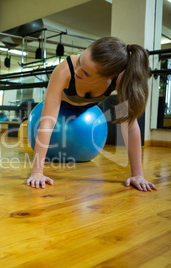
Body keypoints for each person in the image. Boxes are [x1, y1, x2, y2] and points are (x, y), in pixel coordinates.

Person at [26, 36, 157, 192]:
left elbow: (129, 125)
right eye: (80, 61)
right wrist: (37, 172)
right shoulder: (64, 70)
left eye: (87, 73)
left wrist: (138, 175)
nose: (78, 71)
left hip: (88, 114)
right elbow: (48, 121)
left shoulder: (119, 80)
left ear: (108, 77)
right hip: (60, 110)